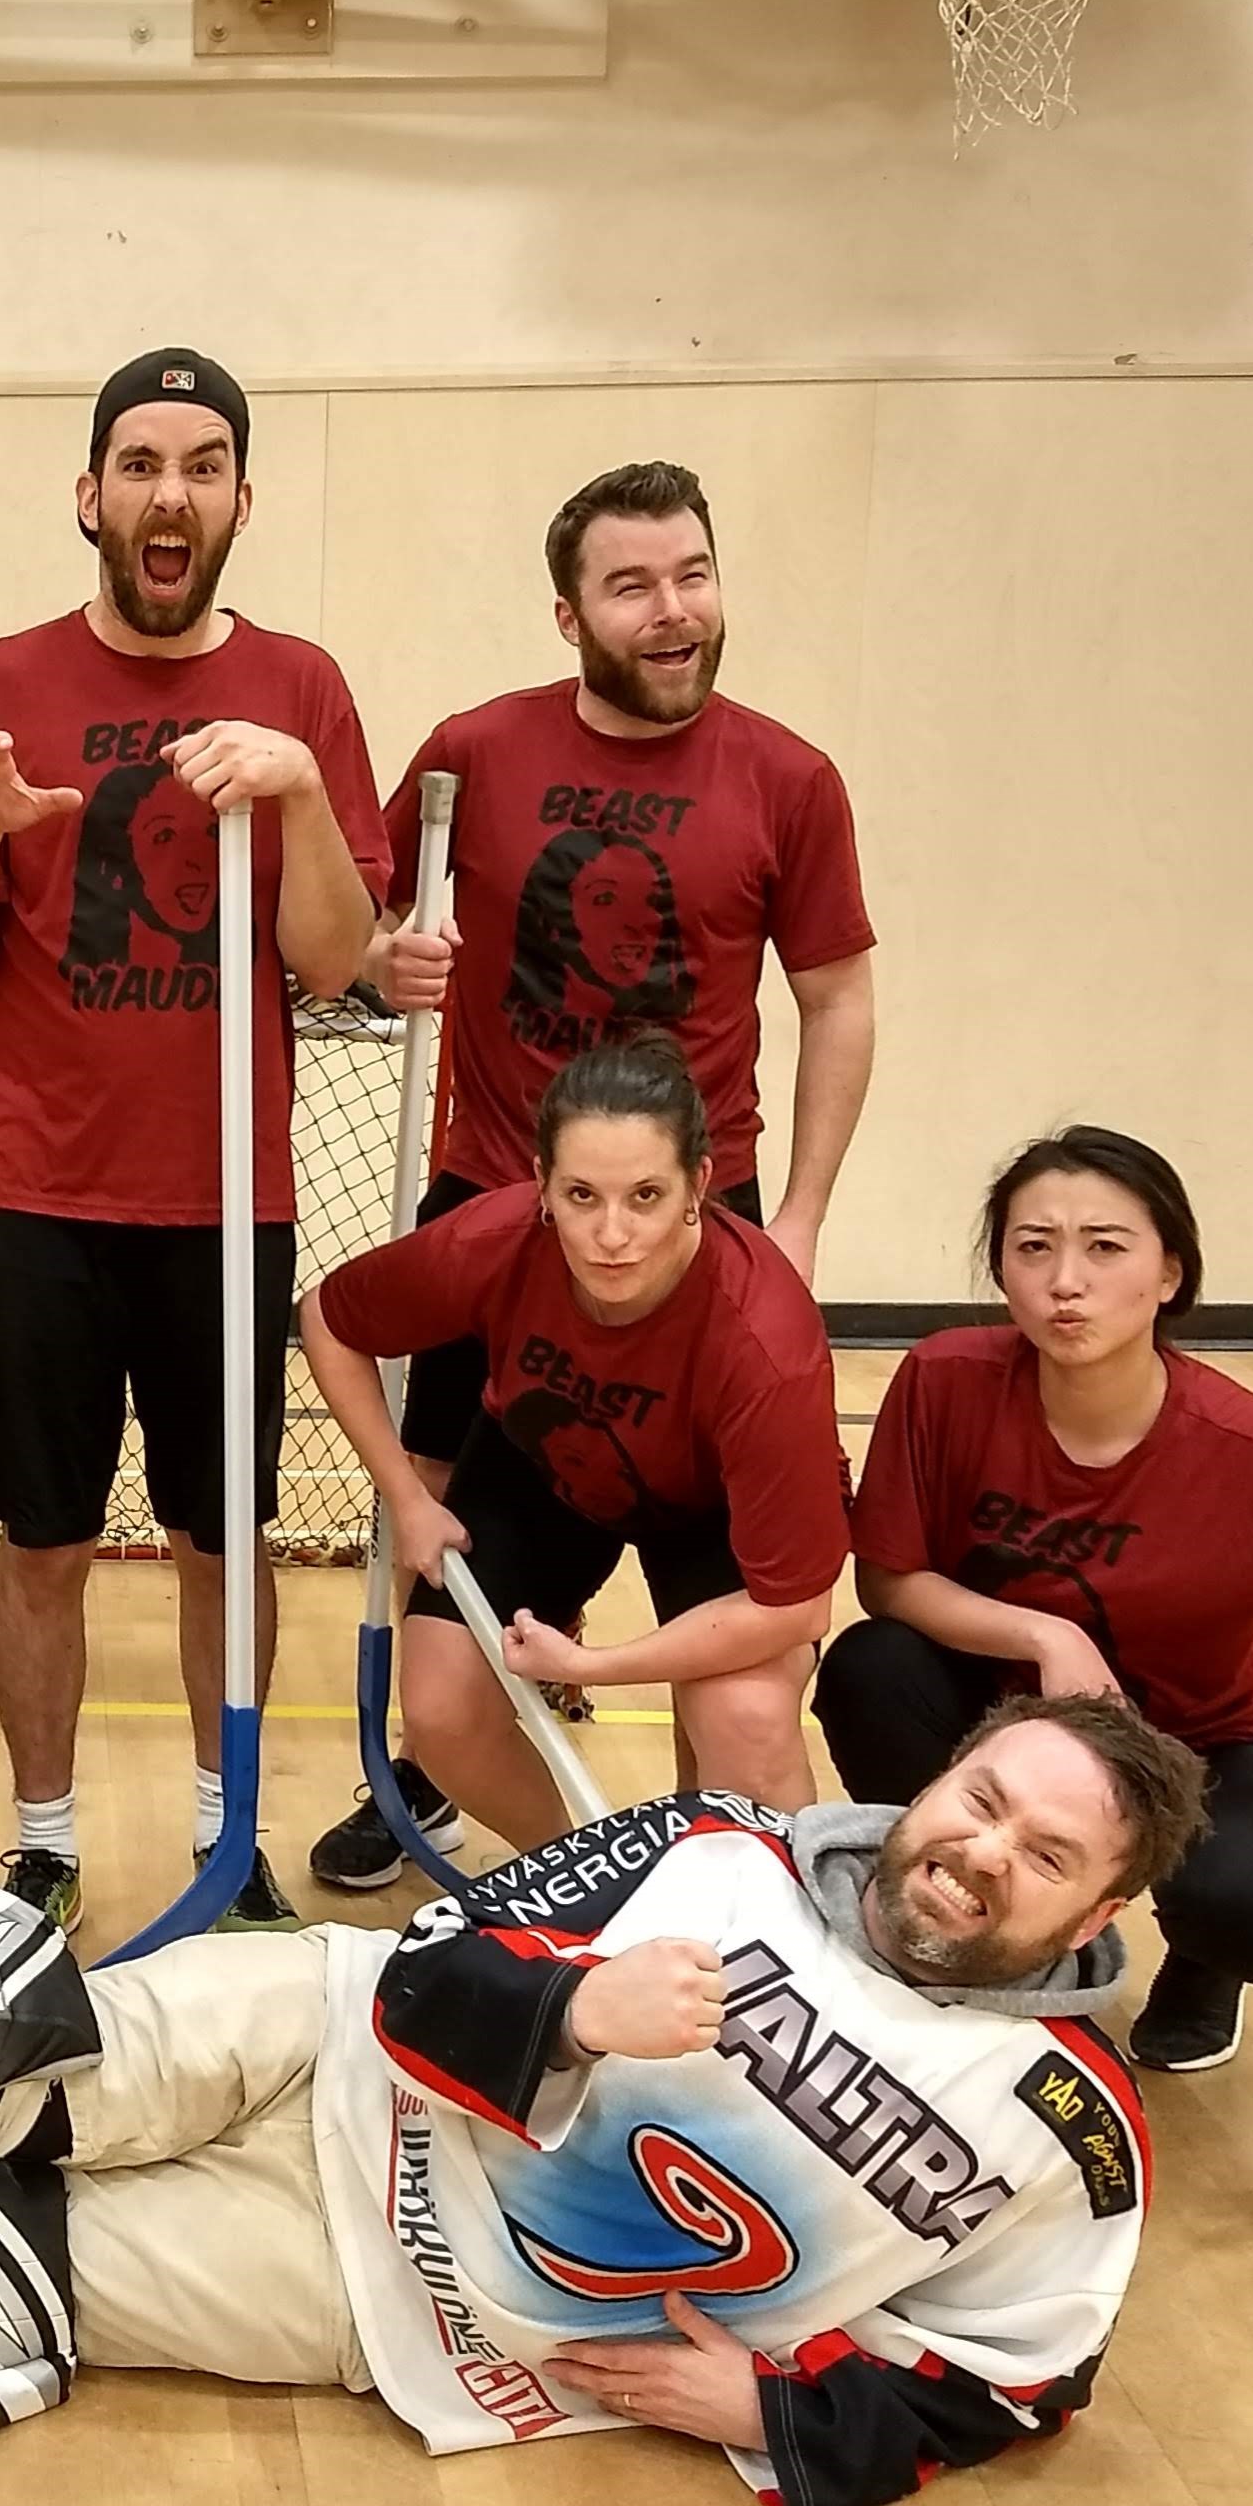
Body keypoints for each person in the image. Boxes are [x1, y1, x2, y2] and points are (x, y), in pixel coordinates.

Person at [0, 1693, 1210, 2506]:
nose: (979, 1852)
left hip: (394, 2295)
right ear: (936, 1776)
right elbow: (426, 1963)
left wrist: (785, 2410)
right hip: (317, 2040)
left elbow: (1028, 2375)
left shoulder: (1071, 2128)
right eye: (980, 1799)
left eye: (1043, 1852)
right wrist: (578, 1997)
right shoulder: (715, 1845)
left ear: (1098, 1912)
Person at [0, 347, 390, 1934]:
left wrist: (302, 791)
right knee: (39, 1541)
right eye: (139, 465)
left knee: (217, 1539)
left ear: (241, 497)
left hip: (223, 1199)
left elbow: (332, 960)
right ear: (90, 495)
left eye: (200, 466)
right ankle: (40, 1838)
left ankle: (223, 1828)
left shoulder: (302, 687)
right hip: (43, 1192)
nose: (167, 494)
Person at [327, 462, 877, 1892]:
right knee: (442, 1503)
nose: (672, 608)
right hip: (500, 1198)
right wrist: (389, 967)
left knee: (744, 1680)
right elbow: (368, 930)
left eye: (693, 573)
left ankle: (732, 1888)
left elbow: (838, 1000)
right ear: (570, 614)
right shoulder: (475, 751)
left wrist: (801, 1214)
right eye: (632, 584)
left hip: (700, 1220)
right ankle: (454, 1789)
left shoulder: (789, 779)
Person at [813, 1126, 1253, 2074]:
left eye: (1105, 1247)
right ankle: (989, 1922)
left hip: (1209, 1741)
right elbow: (889, 1579)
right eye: (1033, 1246)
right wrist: (1045, 1634)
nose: (1064, 1280)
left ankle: (1202, 1963)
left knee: (1249, 1910)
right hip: (1021, 1726)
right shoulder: (948, 1382)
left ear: (1170, 1272)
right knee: (871, 1668)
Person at [300, 1035, 849, 1882]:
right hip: (547, 1466)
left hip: (713, 1507)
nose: (612, 1234)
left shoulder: (767, 1343)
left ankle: (766, 1939)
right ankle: (590, 1876)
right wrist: (406, 1496)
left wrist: (593, 1666)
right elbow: (331, 1322)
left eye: (647, 1196)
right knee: (442, 1709)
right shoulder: (492, 1237)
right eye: (582, 1195)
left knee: (744, 1720)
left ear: (700, 1186)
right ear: (541, 1187)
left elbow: (797, 1608)